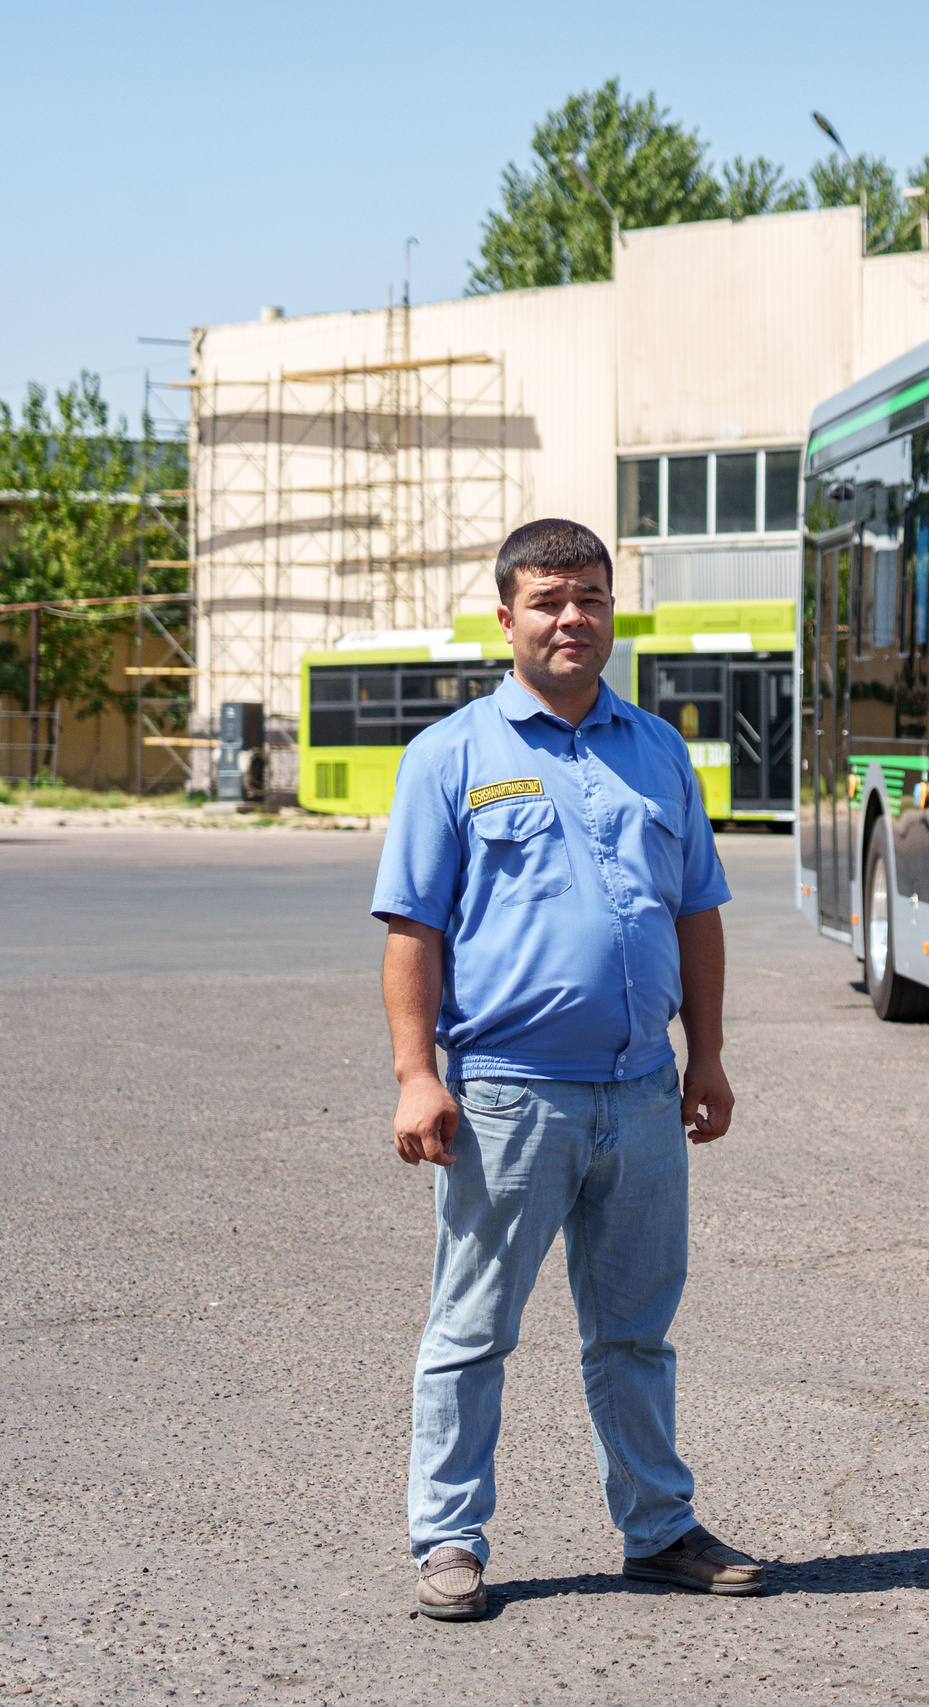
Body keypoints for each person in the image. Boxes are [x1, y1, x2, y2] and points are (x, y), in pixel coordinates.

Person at [371, 517, 762, 1619]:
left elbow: (697, 913)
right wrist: (416, 1073)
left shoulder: (656, 751)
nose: (571, 618)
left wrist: (709, 1058)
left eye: (588, 597)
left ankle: (658, 1528)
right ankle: (447, 1541)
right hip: (506, 1094)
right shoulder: (452, 757)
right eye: (547, 601)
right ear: (506, 618)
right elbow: (411, 928)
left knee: (635, 1331)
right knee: (471, 1330)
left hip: (641, 1094)